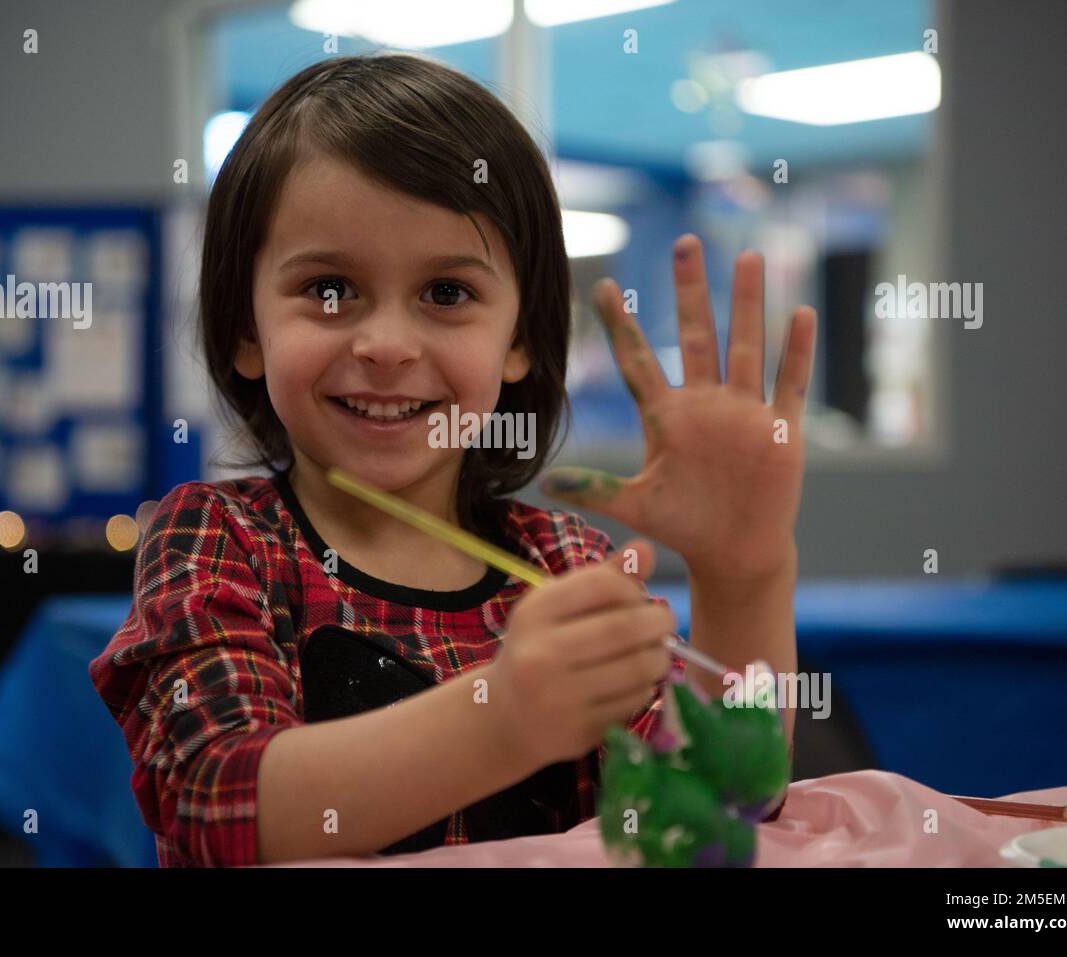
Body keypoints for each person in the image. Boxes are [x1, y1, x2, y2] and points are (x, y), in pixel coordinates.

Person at [89, 52, 815, 867]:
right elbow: (213, 801)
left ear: (522, 340)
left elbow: (714, 804)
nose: (388, 346)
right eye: (329, 289)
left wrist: (743, 574)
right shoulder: (217, 537)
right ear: (246, 331)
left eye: (446, 293)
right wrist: (499, 717)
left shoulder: (566, 563)